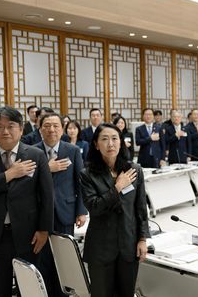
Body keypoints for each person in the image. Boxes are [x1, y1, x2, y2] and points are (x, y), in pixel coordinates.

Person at [0, 106, 54, 297]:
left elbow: (46, 196)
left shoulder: (35, 155)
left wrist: (44, 230)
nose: (5, 131)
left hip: (29, 235)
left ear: (21, 129)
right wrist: (8, 175)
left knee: (28, 290)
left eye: (10, 126)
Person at [79, 123, 150, 297]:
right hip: (101, 248)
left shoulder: (134, 170)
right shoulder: (87, 174)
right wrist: (117, 187)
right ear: (96, 144)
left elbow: (140, 208)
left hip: (128, 245)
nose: (110, 144)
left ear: (121, 142)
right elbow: (94, 207)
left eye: (114, 138)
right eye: (104, 139)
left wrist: (142, 239)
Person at [35, 113, 87, 297]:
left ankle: (63, 293)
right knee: (43, 258)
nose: (51, 130)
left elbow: (80, 182)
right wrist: (46, 169)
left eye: (56, 125)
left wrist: (81, 211)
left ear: (62, 128)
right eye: (47, 125)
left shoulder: (72, 150)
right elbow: (26, 183)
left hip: (66, 211)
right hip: (39, 213)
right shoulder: (31, 151)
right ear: (40, 128)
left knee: (63, 258)